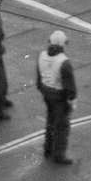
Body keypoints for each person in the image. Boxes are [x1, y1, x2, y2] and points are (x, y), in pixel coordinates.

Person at [35, 29, 78, 166]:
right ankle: (58, 155)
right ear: (62, 44)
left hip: (47, 93)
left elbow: (39, 79)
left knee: (50, 121)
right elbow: (70, 87)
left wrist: (44, 90)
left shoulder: (41, 56)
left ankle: (48, 149)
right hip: (59, 97)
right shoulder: (64, 62)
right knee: (61, 126)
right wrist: (71, 100)